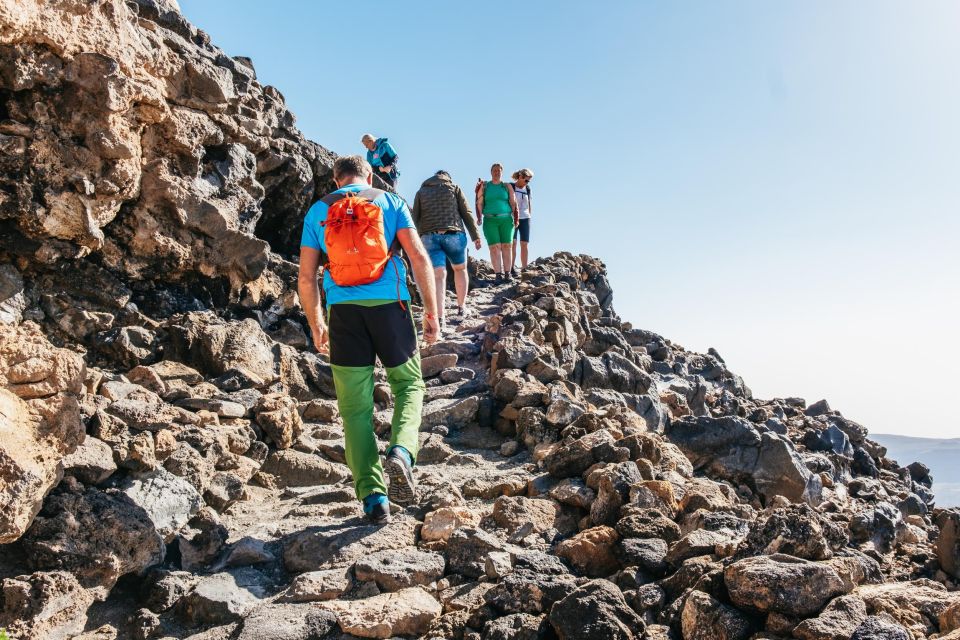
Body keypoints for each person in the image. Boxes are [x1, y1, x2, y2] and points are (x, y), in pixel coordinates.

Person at [298, 155, 439, 524]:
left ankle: (374, 499)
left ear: (335, 179)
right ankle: (402, 454)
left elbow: (306, 277)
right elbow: (419, 257)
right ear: (369, 175)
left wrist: (317, 323)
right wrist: (432, 313)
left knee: (355, 409)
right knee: (409, 385)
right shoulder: (390, 201)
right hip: (390, 305)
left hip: (343, 313)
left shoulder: (318, 211)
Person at [411, 170, 482, 330]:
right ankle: (461, 308)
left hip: (429, 236)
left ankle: (440, 317)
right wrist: (475, 236)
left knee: (438, 275)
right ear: (447, 177)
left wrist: (411, 241)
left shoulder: (421, 191)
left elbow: (414, 217)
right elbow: (467, 212)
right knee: (460, 269)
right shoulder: (454, 187)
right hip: (454, 234)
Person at [476, 163, 519, 283]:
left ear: (502, 172)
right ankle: (498, 275)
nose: (497, 172)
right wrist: (479, 217)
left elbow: (513, 202)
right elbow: (479, 202)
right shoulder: (485, 186)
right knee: (494, 247)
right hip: (490, 220)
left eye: (499, 170)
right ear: (491, 172)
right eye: (494, 170)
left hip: (506, 219)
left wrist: (516, 218)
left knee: (507, 246)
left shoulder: (506, 186)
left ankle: (507, 274)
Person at [509, 169, 534, 277]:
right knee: (513, 243)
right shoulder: (511, 187)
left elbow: (529, 203)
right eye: (526, 180)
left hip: (525, 218)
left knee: (524, 244)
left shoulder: (527, 189)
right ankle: (511, 267)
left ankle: (524, 268)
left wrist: (530, 215)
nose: (527, 183)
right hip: (512, 217)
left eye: (528, 181)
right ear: (520, 176)